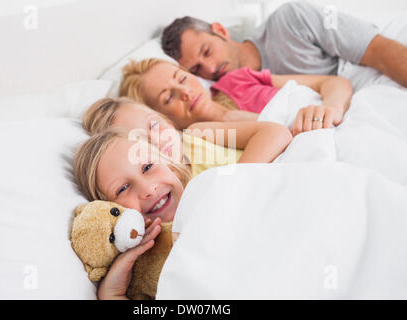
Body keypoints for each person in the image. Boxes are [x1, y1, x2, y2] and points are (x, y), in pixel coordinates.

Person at [73, 118, 292, 299]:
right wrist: (113, 294)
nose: (148, 189)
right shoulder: (145, 268)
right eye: (122, 188)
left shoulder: (209, 186)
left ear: (171, 167)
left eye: (148, 167)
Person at [161, 2, 407, 87]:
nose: (211, 69)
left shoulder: (289, 20)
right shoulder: (230, 94)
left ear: (221, 31)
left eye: (207, 51)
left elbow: (375, 49)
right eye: (196, 70)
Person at [120, 58, 352, 136]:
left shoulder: (237, 79)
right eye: (168, 97)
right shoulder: (199, 141)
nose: (186, 93)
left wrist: (331, 108)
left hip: (343, 121)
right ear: (160, 116)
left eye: (181, 79)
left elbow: (333, 82)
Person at [81, 96, 292, 177]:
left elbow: (275, 132)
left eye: (154, 124)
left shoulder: (197, 134)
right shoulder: (164, 197)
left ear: (169, 122)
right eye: (139, 141)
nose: (156, 140)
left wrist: (237, 182)